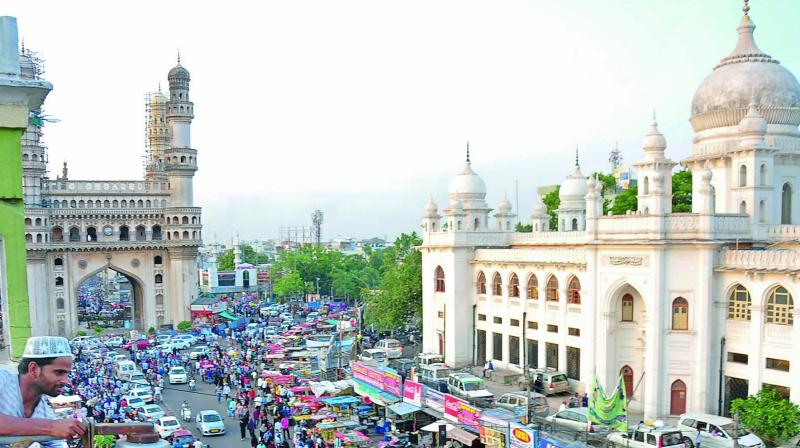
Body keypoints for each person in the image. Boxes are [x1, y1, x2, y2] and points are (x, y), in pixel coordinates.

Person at [0, 336, 88, 448]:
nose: (66, 381)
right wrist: (50, 427)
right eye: (59, 372)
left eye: (67, 374)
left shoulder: (46, 414)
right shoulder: (2, 379)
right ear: (33, 369)